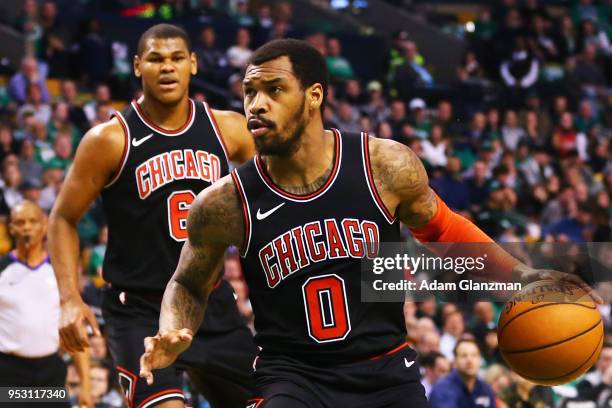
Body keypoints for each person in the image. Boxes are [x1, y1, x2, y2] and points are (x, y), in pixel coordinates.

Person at [140, 39, 598, 407]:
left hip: (386, 373)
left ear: (314, 95)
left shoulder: (383, 165)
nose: (256, 105)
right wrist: (171, 330)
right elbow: (188, 283)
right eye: (249, 92)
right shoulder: (224, 202)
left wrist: (519, 276)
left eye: (273, 90)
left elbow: (443, 231)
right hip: (293, 378)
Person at [48, 24, 257, 408]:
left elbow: (284, 179)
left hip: (210, 303)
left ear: (193, 64)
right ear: (137, 66)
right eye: (156, 59)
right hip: (140, 309)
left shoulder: (228, 128)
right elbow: (62, 219)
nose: (167, 68)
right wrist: (68, 297)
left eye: (177, 58)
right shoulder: (109, 140)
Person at [0, 201, 92, 408]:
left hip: (49, 369)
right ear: (11, 228)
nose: (26, 227)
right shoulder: (2, 269)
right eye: (20, 222)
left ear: (44, 225)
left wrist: (85, 385)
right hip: (9, 372)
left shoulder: (61, 274)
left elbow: (76, 332)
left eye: (32, 221)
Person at [429, 339, 496, 408]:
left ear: (479, 360)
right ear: (455, 361)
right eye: (464, 356)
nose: (469, 360)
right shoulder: (442, 389)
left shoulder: (486, 389)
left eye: (474, 355)